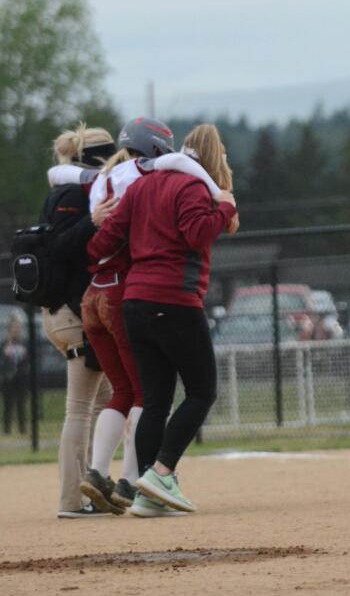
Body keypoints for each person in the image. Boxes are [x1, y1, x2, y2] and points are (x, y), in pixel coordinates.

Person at [88, 124, 238, 518]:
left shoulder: (140, 186)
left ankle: (146, 495)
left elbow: (101, 244)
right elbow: (196, 233)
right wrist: (224, 206)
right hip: (174, 299)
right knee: (202, 391)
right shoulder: (190, 187)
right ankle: (162, 472)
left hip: (134, 302)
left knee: (154, 402)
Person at [40, 125, 119, 518]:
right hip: (69, 315)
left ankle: (94, 488)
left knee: (108, 403)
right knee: (79, 409)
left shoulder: (81, 188)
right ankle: (72, 501)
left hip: (74, 311)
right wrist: (93, 221)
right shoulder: (72, 193)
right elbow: (56, 247)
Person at [2, 317, 29, 435]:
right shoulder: (4, 345)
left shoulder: (25, 344)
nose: (16, 331)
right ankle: (7, 429)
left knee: (21, 403)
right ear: (9, 330)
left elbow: (29, 360)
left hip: (21, 378)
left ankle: (22, 428)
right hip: (8, 378)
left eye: (18, 328)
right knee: (8, 404)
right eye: (13, 328)